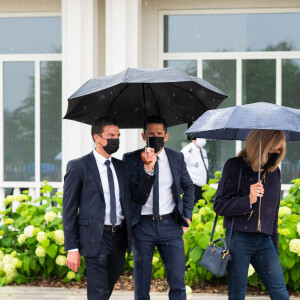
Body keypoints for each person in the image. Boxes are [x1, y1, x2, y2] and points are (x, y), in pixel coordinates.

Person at [62, 117, 155, 300]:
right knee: (98, 293)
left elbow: (139, 197)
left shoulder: (122, 167)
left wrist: (148, 169)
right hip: (95, 237)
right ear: (97, 137)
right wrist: (72, 248)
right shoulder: (78, 166)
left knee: (105, 291)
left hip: (118, 238)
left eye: (118, 135)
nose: (116, 140)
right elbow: (69, 209)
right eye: (111, 135)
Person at [123, 115, 194, 300]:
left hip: (171, 225)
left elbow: (188, 187)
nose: (155, 136)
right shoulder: (130, 159)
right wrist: (148, 169)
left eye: (159, 133)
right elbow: (130, 194)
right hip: (142, 227)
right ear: (143, 136)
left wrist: (187, 216)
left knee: (178, 282)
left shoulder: (177, 157)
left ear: (167, 136)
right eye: (151, 133)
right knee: (141, 285)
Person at [214, 129, 289, 300]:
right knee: (237, 296)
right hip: (238, 240)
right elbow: (220, 205)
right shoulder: (234, 166)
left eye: (279, 150)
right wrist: (248, 199)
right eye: (272, 149)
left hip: (265, 241)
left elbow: (274, 216)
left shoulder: (274, 173)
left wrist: (274, 250)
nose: (276, 154)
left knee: (280, 294)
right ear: (260, 147)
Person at [181, 138, 209, 204]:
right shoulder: (187, 150)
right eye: (200, 137)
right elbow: (180, 168)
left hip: (203, 188)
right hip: (192, 187)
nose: (202, 139)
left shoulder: (203, 151)